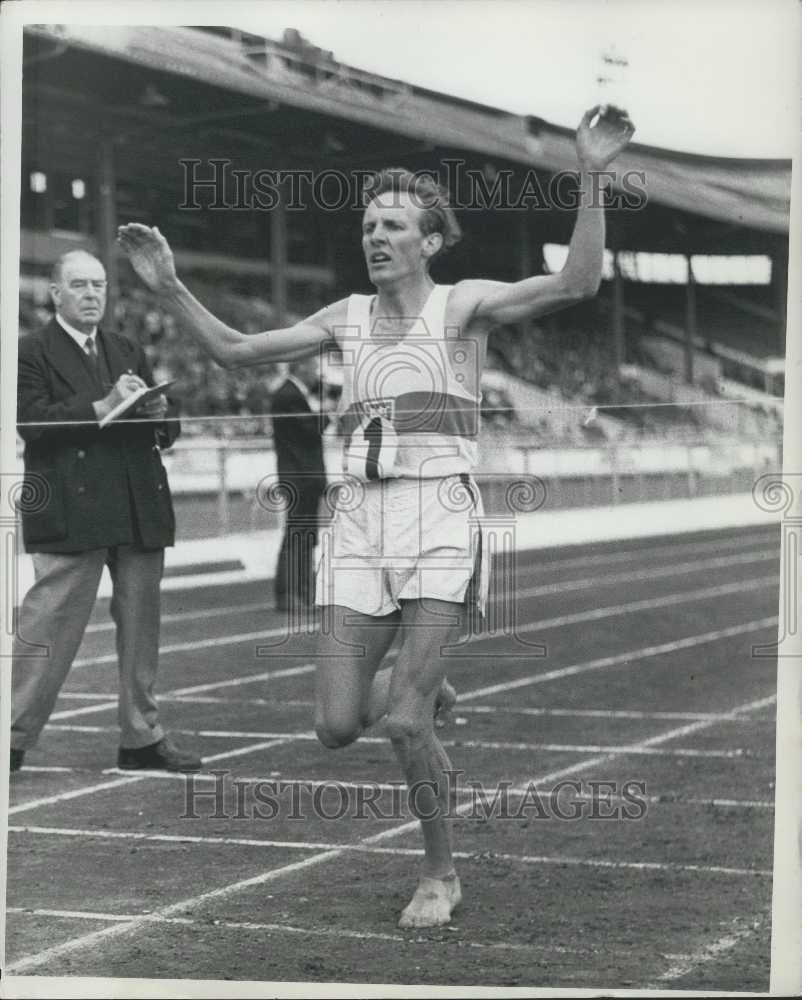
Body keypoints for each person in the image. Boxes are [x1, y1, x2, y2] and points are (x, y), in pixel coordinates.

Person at [118, 104, 635, 926]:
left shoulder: (462, 308)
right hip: (356, 526)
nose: (376, 234)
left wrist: (593, 174)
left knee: (401, 724)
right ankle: (416, 683)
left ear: (431, 241)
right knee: (333, 726)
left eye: (394, 223)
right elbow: (237, 351)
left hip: (439, 521)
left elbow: (577, 283)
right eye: (368, 223)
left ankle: (439, 871)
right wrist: (172, 285)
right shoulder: (344, 319)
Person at [11, 249, 200, 774]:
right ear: (54, 293)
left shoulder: (126, 347)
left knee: (142, 629)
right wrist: (100, 405)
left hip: (137, 504)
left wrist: (161, 416)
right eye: (79, 285)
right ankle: (11, 734)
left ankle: (141, 736)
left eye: (98, 285)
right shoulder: (30, 351)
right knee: (48, 626)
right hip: (72, 510)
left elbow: (163, 431)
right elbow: (30, 423)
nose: (92, 295)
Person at [269, 356, 328, 615]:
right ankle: (290, 593)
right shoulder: (289, 395)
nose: (317, 373)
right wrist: (327, 410)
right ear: (301, 367)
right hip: (300, 475)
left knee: (304, 536)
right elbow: (311, 430)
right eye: (314, 367)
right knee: (298, 536)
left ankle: (301, 592)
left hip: (301, 475)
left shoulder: (291, 394)